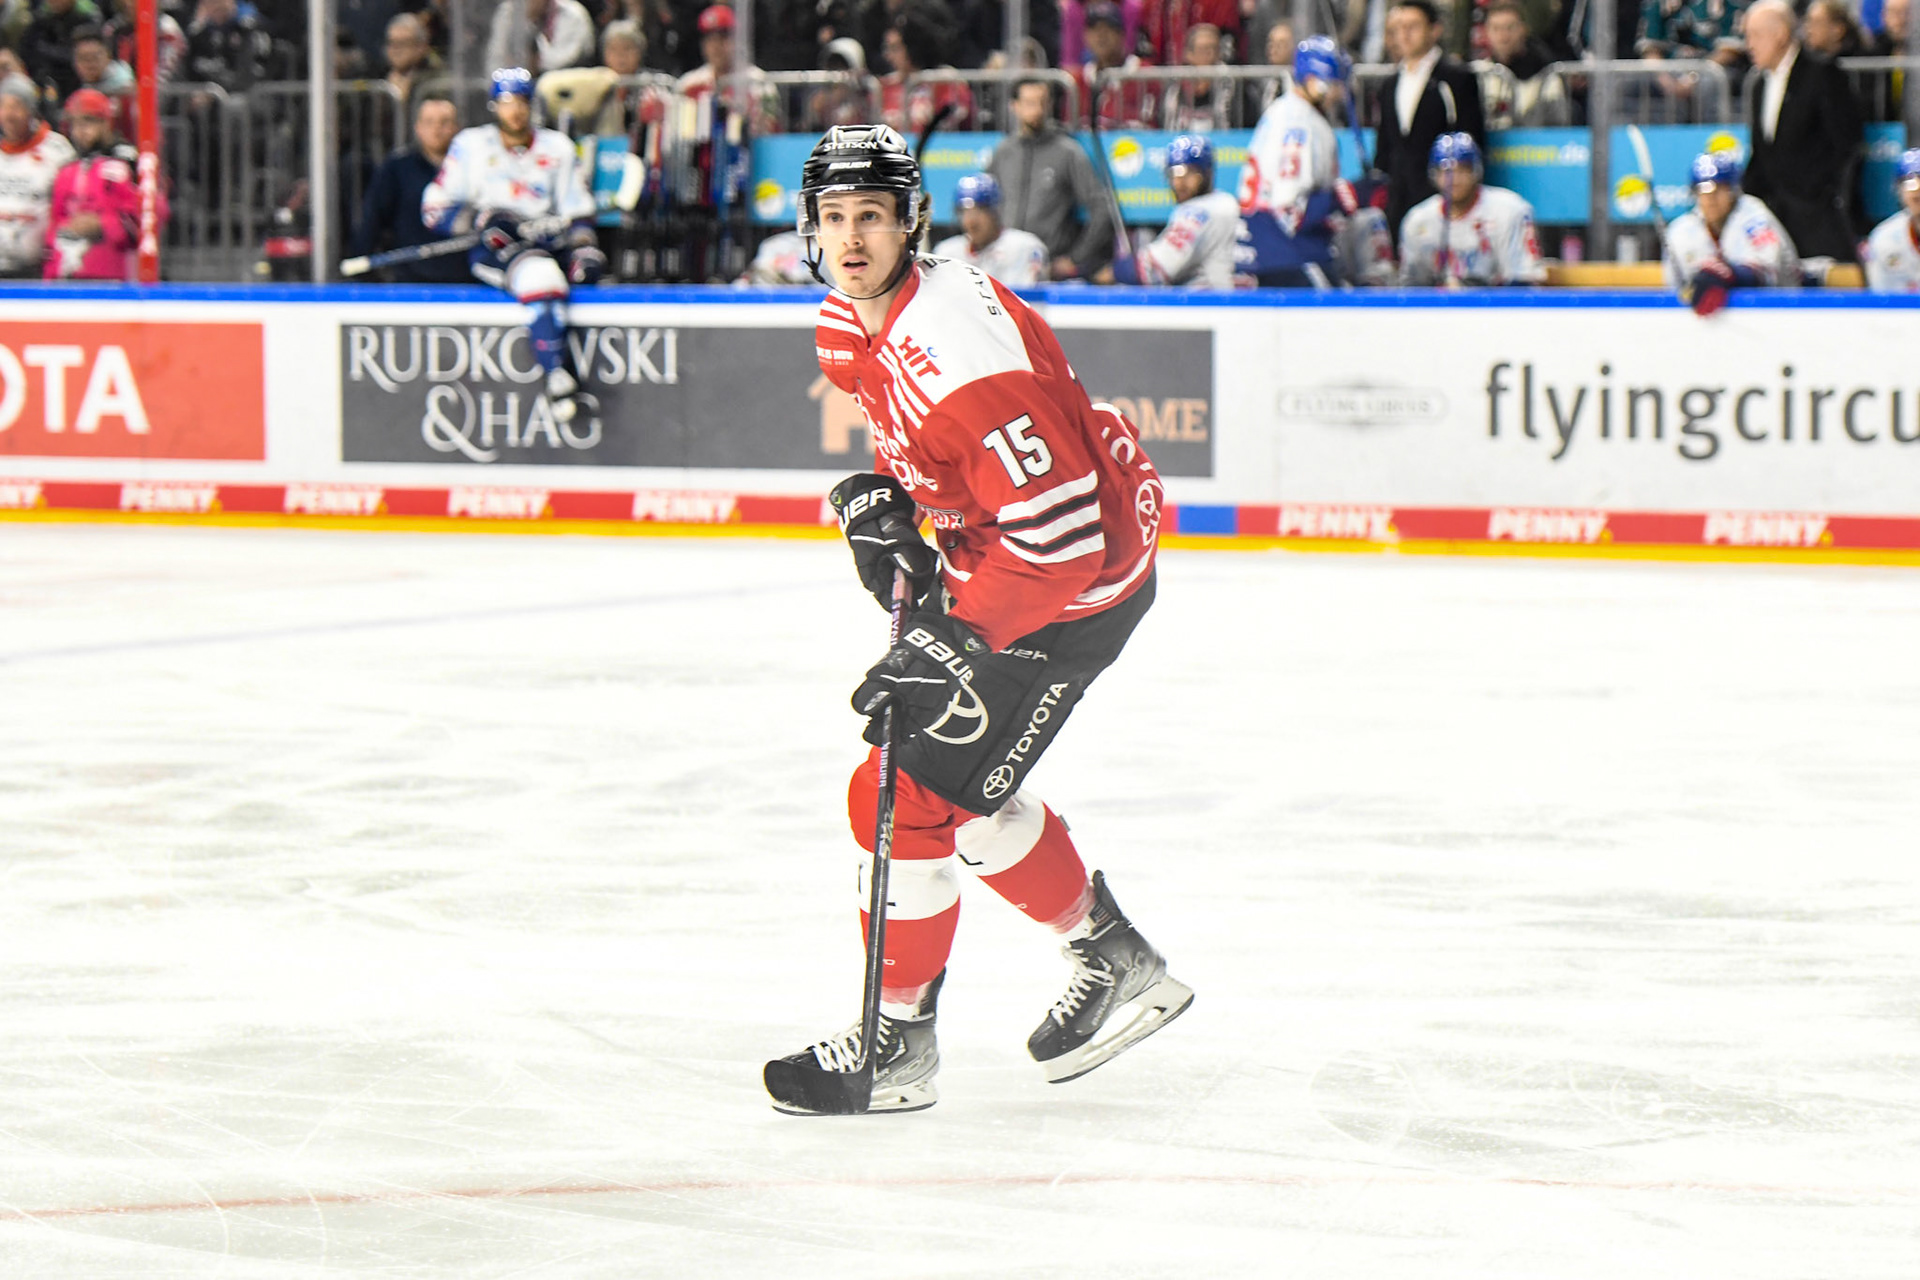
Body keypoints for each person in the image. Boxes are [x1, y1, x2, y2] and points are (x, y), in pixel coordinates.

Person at [762, 124, 1191, 1116]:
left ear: (911, 219)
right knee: (953, 790)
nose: (853, 237)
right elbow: (923, 435)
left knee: (904, 790)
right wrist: (892, 504)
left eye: (873, 215)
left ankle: (898, 1044)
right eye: (835, 218)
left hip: (1073, 588)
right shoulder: (856, 317)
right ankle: (1113, 954)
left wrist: (947, 638)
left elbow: (1062, 537)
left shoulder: (951, 344)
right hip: (1027, 560)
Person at [421, 68, 600, 419]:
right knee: (540, 277)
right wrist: (480, 220)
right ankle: (557, 375)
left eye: (521, 102)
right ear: (493, 106)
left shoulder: (558, 147)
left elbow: (578, 212)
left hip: (549, 245)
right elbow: (434, 209)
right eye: (506, 102)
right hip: (495, 251)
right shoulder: (471, 146)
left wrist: (582, 247)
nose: (514, 111)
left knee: (576, 278)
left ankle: (561, 366)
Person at [1743, 0, 1863, 262]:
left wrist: (1820, 192)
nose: (1748, 44)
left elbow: (1847, 142)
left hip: (1819, 220)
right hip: (1775, 224)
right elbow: (1764, 154)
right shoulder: (1758, 86)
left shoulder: (1823, 74)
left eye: (1755, 35)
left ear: (1781, 34)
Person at [1236, 35, 1348, 286]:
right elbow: (1288, 208)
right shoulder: (1299, 123)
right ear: (1316, 82)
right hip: (1283, 250)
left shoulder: (1288, 110)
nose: (1341, 91)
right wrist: (1345, 196)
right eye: (1336, 82)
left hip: (1267, 245)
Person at [1373, 0, 1485, 245]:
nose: (1404, 34)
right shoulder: (1389, 85)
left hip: (1442, 201)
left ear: (1435, 30)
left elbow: (1470, 138)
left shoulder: (1456, 79)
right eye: (1398, 28)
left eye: (1412, 26)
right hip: (1398, 202)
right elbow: (1385, 147)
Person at [986, 78, 1112, 280]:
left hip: (1047, 267)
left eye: (1042, 102)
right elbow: (985, 207)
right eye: (1029, 103)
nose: (1036, 110)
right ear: (1014, 106)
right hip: (1003, 266)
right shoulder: (1003, 152)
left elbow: (1101, 208)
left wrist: (1075, 258)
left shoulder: (1067, 152)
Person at [44, 86, 163, 280]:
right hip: (67, 276)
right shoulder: (67, 169)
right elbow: (55, 225)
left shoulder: (129, 163)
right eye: (75, 123)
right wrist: (51, 274)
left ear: (107, 123)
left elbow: (148, 217)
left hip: (115, 276)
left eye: (88, 121)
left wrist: (102, 225)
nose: (81, 130)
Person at [1661, 149, 1799, 315]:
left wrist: (1730, 273)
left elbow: (1769, 272)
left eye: (1718, 190)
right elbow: (1676, 290)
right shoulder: (1679, 232)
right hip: (1710, 320)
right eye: (1703, 192)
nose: (1710, 199)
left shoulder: (1754, 217)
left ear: (1733, 191)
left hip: (1777, 312)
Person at [350, 94, 469, 284]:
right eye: (429, 122)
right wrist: (361, 263)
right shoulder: (398, 168)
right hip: (412, 279)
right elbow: (373, 218)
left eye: (444, 122)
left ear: (457, 128)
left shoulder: (472, 168)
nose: (437, 129)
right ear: (418, 128)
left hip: (465, 279)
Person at [1398, 131, 1544, 285]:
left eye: (1462, 169)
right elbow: (1410, 286)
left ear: (1476, 172)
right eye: (1445, 171)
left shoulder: (1510, 210)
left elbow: (1525, 280)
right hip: (1438, 307)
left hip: (1495, 306)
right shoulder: (1417, 220)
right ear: (1434, 175)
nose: (1453, 179)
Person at [1097, 132, 1239, 287]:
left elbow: (1152, 269)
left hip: (1210, 303)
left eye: (1188, 174)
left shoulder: (1199, 211)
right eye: (1174, 175)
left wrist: (1111, 272)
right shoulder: (1228, 202)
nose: (1179, 183)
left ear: (1207, 174)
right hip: (1235, 299)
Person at [0, 72, 74, 278]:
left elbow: (71, 203)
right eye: (4, 106)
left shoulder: (56, 150)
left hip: (36, 270)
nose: (9, 115)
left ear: (31, 111)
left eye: (16, 107)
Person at [675, 4, 782, 135]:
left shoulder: (758, 83)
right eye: (710, 39)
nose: (716, 46)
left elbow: (770, 131)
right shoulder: (689, 84)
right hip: (703, 151)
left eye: (722, 38)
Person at [933, 172, 1049, 285]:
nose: (971, 221)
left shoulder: (1025, 247)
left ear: (995, 212)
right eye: (965, 212)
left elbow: (1025, 299)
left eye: (979, 211)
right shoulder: (946, 253)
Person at [1075, 1, 1156, 129]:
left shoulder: (1146, 74)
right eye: (1094, 29)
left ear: (1121, 34)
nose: (1101, 36)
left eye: (1108, 28)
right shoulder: (1078, 80)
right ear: (1085, 36)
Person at [485, 0, 596, 75]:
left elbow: (559, 63)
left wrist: (527, 61)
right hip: (521, 89)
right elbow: (496, 58)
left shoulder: (573, 15)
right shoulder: (509, 11)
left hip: (567, 85)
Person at [1863, 147, 1920, 292]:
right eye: (1910, 183)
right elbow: (1880, 298)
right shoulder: (1884, 238)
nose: (1917, 190)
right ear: (1898, 190)